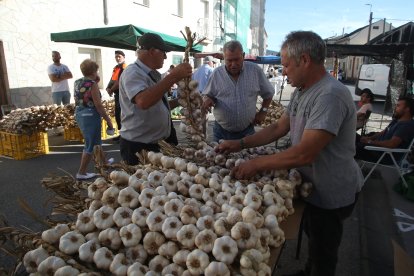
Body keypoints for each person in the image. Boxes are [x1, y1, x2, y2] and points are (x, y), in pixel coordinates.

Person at [216, 31, 364, 276]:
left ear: (304, 60)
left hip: (331, 191)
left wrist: (257, 164)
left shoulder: (329, 95)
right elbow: (277, 127)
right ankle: (308, 270)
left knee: (324, 250)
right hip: (311, 185)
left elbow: (304, 154)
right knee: (314, 239)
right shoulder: (303, 90)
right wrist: (241, 143)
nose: (283, 71)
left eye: (285, 65)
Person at [118, 33, 192, 165]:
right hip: (140, 147)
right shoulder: (132, 72)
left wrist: (180, 101)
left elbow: (156, 103)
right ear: (152, 51)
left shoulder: (152, 74)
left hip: (159, 144)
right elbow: (143, 101)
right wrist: (173, 77)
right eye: (163, 52)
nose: (165, 56)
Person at [202, 40, 275, 142]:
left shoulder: (255, 71)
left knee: (248, 158)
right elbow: (208, 95)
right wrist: (208, 99)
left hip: (247, 133)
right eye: (229, 60)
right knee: (219, 158)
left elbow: (269, 93)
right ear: (224, 58)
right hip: (221, 132)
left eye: (237, 59)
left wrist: (263, 112)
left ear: (243, 55)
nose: (233, 64)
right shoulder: (217, 74)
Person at [74, 59, 114, 180]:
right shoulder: (92, 84)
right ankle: (81, 172)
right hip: (91, 115)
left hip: (80, 113)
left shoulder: (77, 82)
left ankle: (104, 162)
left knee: (96, 141)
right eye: (96, 70)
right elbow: (98, 105)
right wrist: (108, 120)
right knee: (90, 144)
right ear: (93, 71)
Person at [355, 96, 414, 164]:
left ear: (407, 109)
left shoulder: (406, 126)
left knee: (348, 147)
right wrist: (369, 138)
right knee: (352, 136)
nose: (395, 108)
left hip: (383, 155)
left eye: (398, 106)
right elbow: (383, 132)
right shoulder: (396, 120)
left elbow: (391, 144)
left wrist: (370, 142)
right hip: (376, 149)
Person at [106, 50, 127, 141]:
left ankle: (125, 135)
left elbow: (120, 81)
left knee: (122, 114)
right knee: (118, 114)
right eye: (116, 57)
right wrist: (108, 88)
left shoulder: (124, 67)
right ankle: (121, 134)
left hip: (122, 94)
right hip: (116, 94)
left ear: (123, 57)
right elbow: (112, 79)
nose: (118, 58)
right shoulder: (116, 68)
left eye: (119, 56)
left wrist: (111, 89)